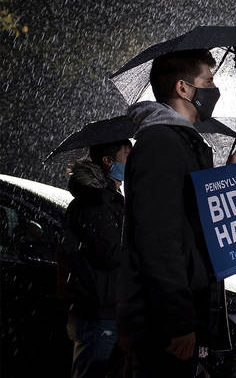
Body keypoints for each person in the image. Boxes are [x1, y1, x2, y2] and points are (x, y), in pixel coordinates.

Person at [117, 49, 236, 377]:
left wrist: (227, 176)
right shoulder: (162, 143)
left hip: (174, 314)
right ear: (183, 89)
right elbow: (158, 238)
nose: (214, 89)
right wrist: (177, 320)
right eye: (208, 81)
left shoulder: (182, 143)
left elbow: (191, 215)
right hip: (163, 323)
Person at [60, 140, 131, 378]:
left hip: (108, 310)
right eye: (126, 156)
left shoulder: (109, 199)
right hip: (99, 312)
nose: (131, 161)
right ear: (108, 162)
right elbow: (110, 254)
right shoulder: (96, 202)